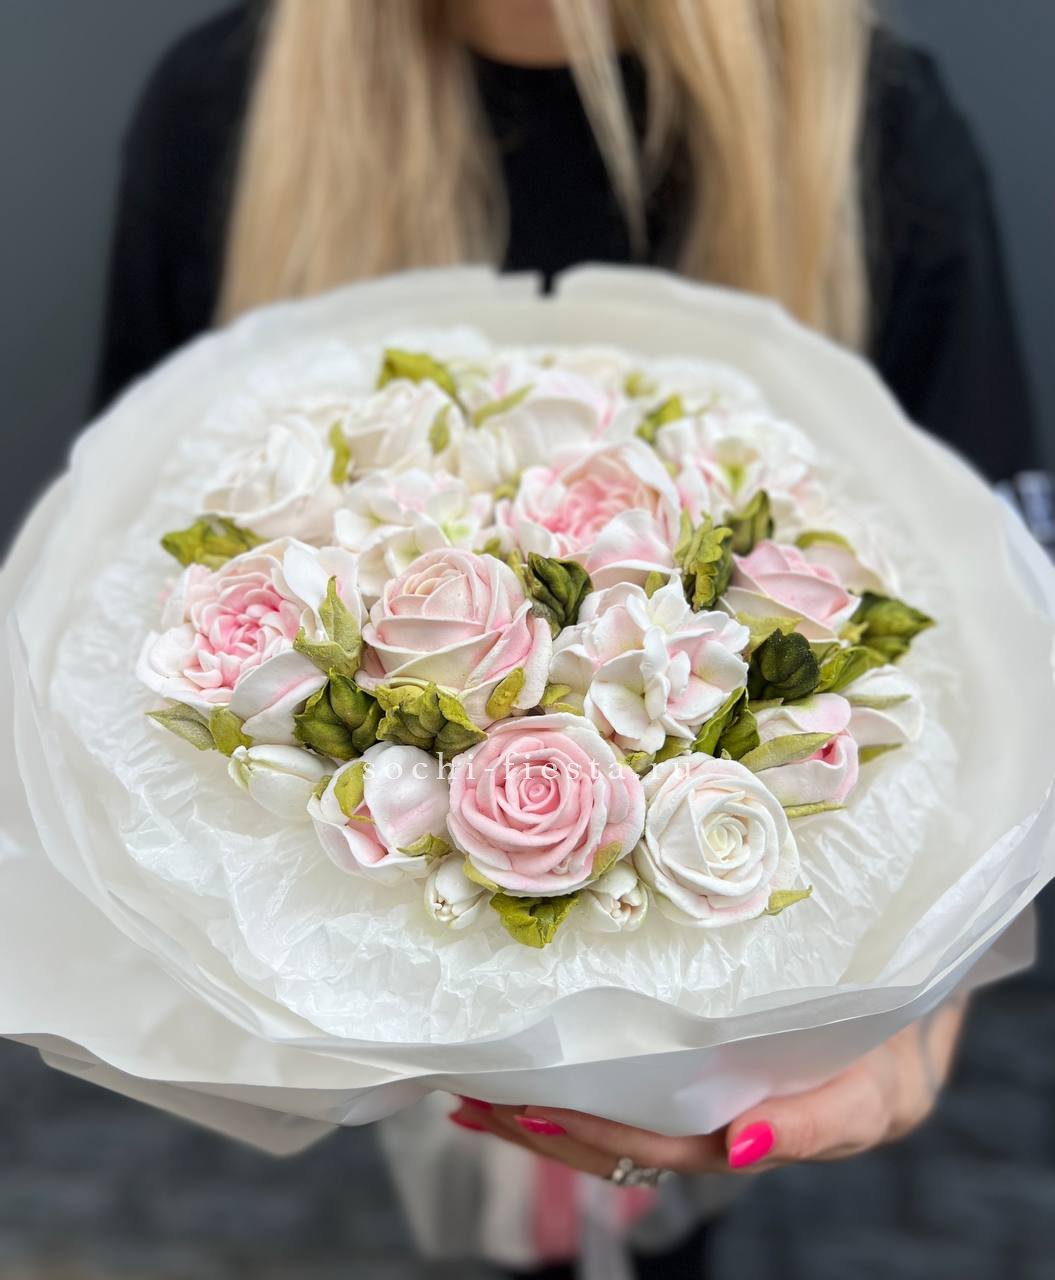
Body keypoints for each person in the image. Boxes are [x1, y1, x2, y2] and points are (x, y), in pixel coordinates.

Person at [95, 1, 1038, 1274]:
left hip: (736, 967)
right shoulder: (224, 107)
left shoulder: (871, 126)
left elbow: (994, 625)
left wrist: (920, 1017)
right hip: (351, 1017)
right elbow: (141, 576)